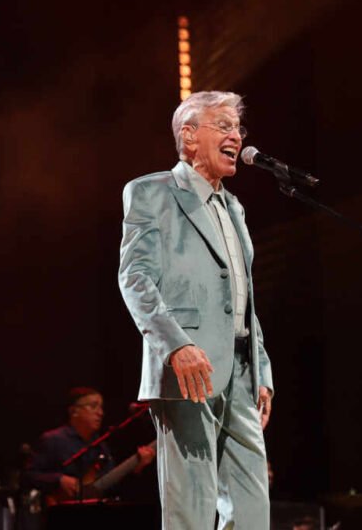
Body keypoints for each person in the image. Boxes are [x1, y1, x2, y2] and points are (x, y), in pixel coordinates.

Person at [118, 91, 274, 529]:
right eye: (223, 126)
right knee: (191, 507)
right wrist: (176, 345)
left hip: (241, 371)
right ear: (188, 137)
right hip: (187, 368)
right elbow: (135, 277)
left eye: (238, 127)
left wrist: (262, 368)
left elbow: (243, 295)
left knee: (252, 511)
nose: (236, 136)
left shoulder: (234, 206)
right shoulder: (151, 192)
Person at [23, 387, 154, 504]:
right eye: (93, 406)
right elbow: (28, 476)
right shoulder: (53, 439)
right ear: (74, 411)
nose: (100, 413)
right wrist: (59, 479)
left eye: (101, 407)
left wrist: (137, 468)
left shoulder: (101, 447)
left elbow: (111, 486)